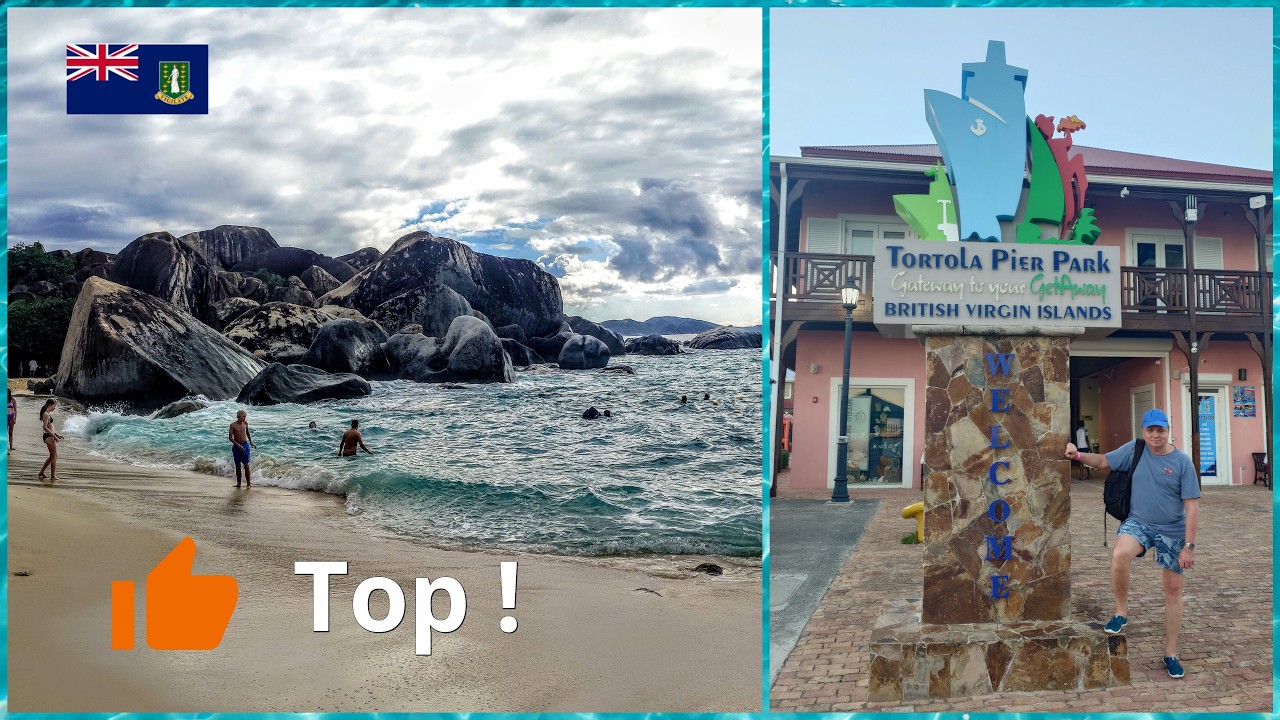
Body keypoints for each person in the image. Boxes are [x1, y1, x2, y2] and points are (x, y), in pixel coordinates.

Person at [1065, 408, 1199, 679]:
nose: (1155, 435)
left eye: (1160, 430)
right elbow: (1103, 460)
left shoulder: (1182, 462)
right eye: (1150, 430)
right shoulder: (1135, 449)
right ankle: (1121, 612)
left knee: (1173, 589)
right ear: (1143, 431)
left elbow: (1192, 507)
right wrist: (1077, 455)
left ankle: (1170, 654)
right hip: (1139, 522)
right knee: (1119, 554)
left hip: (1172, 529)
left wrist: (1189, 546)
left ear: (1168, 431)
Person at [228, 410, 257, 488]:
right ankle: (239, 483)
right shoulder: (233, 425)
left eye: (245, 416)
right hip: (236, 446)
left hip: (245, 445)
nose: (244, 418)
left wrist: (251, 442)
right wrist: (237, 445)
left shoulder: (245, 423)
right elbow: (230, 438)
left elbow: (248, 433)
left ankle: (248, 484)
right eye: (243, 416)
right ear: (238, 417)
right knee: (237, 465)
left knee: (246, 464)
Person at [38, 399, 63, 482]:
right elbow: (45, 427)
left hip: (50, 435)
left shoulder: (47, 413)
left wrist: (57, 435)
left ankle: (41, 472)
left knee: (52, 456)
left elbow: (50, 427)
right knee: (54, 456)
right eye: (54, 406)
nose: (54, 408)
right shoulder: (46, 414)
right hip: (49, 436)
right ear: (50, 405)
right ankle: (53, 476)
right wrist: (54, 436)